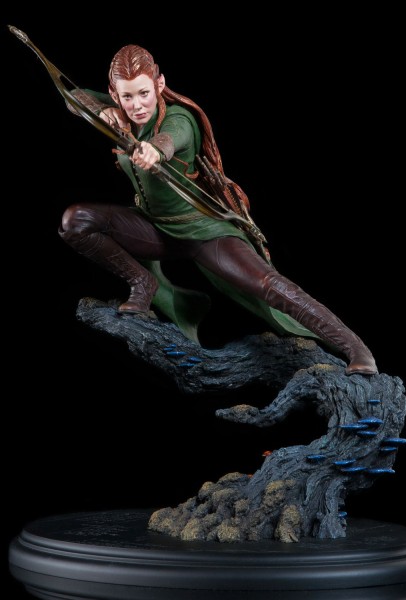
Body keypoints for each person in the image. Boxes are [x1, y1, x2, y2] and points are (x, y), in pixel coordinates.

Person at [59, 44, 377, 376]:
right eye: (126, 97)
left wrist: (155, 150)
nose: (137, 105)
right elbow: (73, 95)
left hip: (203, 231)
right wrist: (102, 110)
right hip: (154, 228)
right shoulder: (121, 109)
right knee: (75, 220)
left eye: (144, 93)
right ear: (115, 93)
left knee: (269, 285)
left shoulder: (179, 118)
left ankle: (355, 348)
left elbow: (173, 138)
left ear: (159, 84)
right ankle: (142, 282)